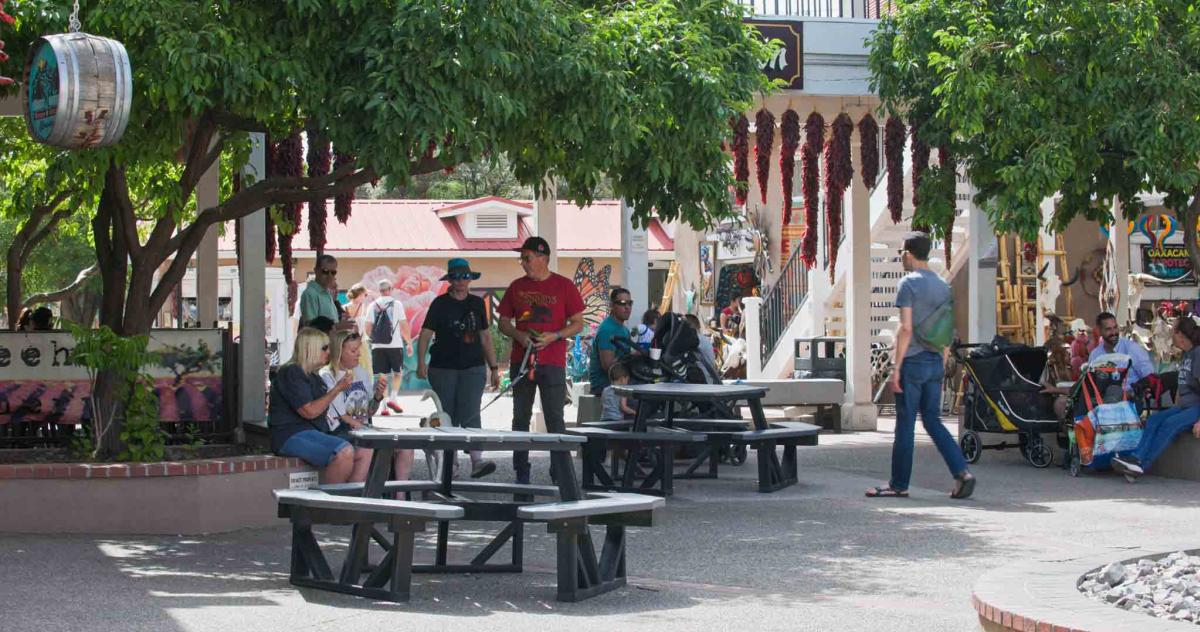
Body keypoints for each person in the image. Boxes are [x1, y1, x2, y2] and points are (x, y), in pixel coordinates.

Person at [868, 231, 975, 499]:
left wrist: (896, 367)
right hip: (935, 363)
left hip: (912, 363)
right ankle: (962, 472)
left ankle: (898, 484)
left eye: (901, 253)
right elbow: (948, 329)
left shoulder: (908, 284)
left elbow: (905, 328)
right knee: (932, 420)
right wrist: (942, 360)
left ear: (907, 253)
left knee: (905, 424)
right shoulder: (943, 285)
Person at [497, 236, 585, 484]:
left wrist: (555, 335)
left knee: (555, 418)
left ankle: (560, 472)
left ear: (543, 258)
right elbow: (503, 322)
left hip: (553, 361)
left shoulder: (564, 286)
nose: (523, 263)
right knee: (520, 417)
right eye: (522, 258)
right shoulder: (516, 287)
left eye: (527, 258)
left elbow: (578, 323)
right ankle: (521, 473)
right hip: (522, 360)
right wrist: (519, 335)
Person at [416, 258, 499, 479]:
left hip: (473, 366)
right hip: (443, 366)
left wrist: (493, 367)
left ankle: (477, 461)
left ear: (470, 278)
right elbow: (425, 334)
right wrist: (420, 362)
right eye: (456, 276)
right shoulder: (439, 304)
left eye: (465, 276)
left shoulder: (477, 303)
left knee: (471, 411)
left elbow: (485, 336)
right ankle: (449, 464)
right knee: (447, 415)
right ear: (450, 279)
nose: (461, 281)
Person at [1113, 317, 1200, 481]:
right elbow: (1182, 386)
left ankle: (1141, 465)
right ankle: (1135, 458)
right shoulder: (1186, 354)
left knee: (1169, 424)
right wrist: (1174, 409)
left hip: (1196, 408)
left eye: (1172, 330)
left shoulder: (1198, 353)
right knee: (1154, 419)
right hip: (1185, 406)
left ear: (1180, 334)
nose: (1170, 334)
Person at [320, 330, 413, 481]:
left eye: (359, 349)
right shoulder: (327, 375)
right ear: (339, 352)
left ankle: (400, 498)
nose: (358, 354)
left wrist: (377, 397)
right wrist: (373, 432)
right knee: (367, 449)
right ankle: (359, 497)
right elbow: (342, 417)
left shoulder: (361, 372)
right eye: (353, 350)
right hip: (342, 432)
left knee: (406, 447)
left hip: (363, 429)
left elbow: (369, 412)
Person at [269, 327, 357, 483]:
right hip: (291, 434)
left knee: (365, 448)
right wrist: (337, 389)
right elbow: (309, 411)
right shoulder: (292, 372)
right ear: (310, 348)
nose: (329, 352)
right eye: (324, 348)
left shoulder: (314, 376)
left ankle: (357, 501)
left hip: (315, 431)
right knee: (344, 451)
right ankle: (328, 504)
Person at [365, 279, 412, 409]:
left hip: (377, 347)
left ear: (380, 291)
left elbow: (367, 328)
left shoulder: (372, 305)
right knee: (397, 373)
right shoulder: (397, 304)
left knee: (382, 376)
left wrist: (373, 339)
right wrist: (409, 343)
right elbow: (404, 325)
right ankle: (393, 398)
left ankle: (384, 405)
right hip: (395, 345)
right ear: (390, 289)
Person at [589, 287, 635, 395]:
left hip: (621, 383)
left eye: (629, 303)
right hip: (605, 386)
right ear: (611, 305)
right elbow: (608, 367)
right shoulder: (607, 329)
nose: (627, 307)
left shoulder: (624, 330)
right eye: (622, 303)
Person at [299, 255, 342, 328]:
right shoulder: (310, 293)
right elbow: (311, 326)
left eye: (333, 272)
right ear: (316, 271)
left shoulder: (326, 293)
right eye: (325, 271)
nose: (329, 275)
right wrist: (338, 326)